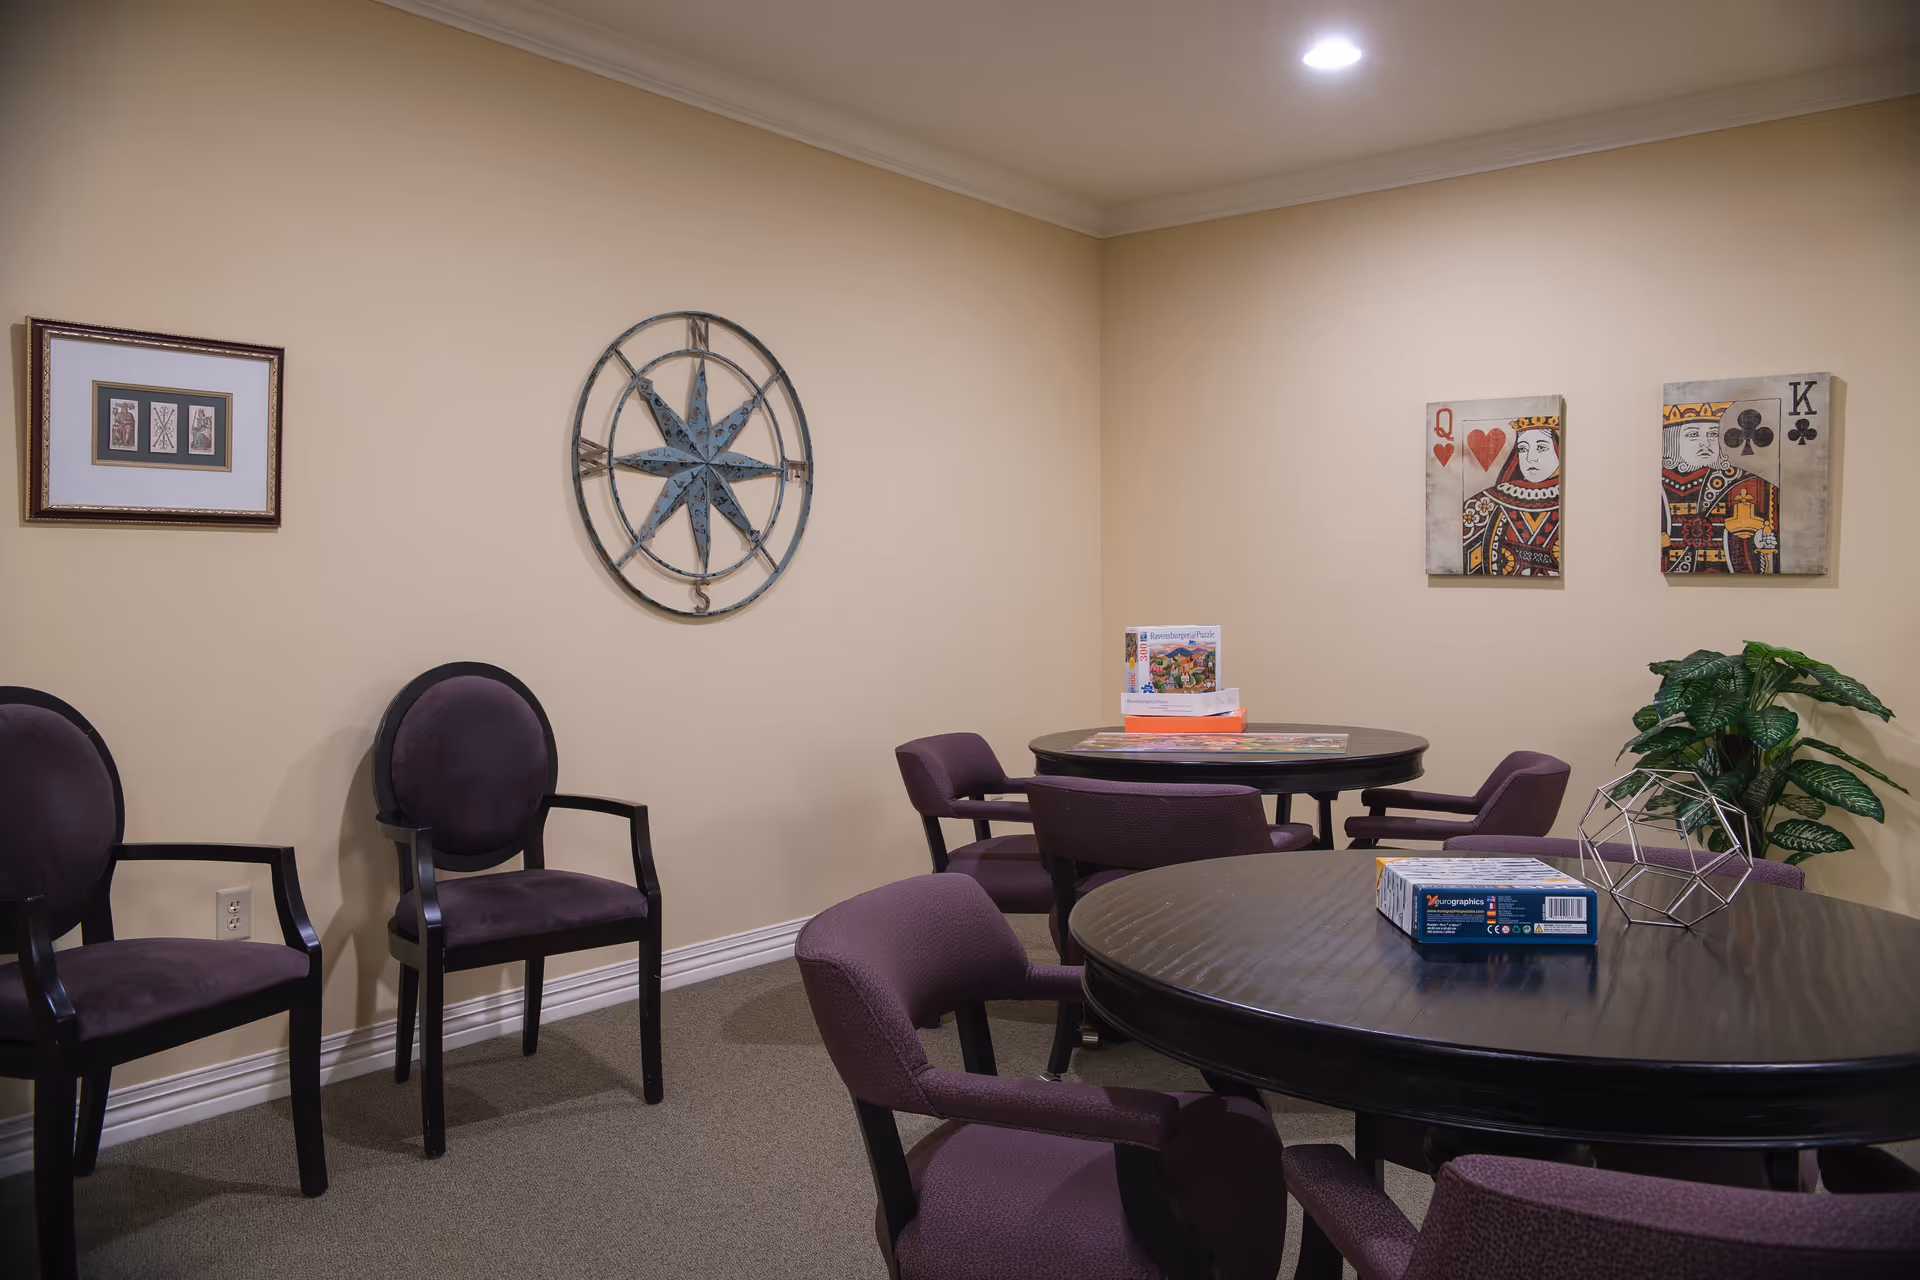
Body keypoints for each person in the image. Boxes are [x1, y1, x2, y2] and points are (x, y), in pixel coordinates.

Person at [1660, 402, 1778, 573]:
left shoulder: (1746, 482)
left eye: (1713, 434)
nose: (1706, 443)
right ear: (1672, 440)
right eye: (1693, 434)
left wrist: (1757, 541)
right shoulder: (1653, 485)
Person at [1462, 416, 1562, 576]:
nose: (1531, 458)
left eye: (1541, 448)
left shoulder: (1572, 501)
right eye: (1523, 449)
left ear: (1558, 448)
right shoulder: (1486, 503)